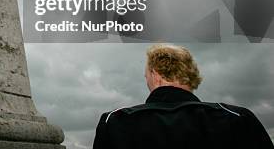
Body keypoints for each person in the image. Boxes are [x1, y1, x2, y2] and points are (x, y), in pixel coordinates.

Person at [93, 43, 273, 148]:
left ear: (155, 74)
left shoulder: (116, 121)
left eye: (145, 74)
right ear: (191, 74)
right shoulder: (237, 118)